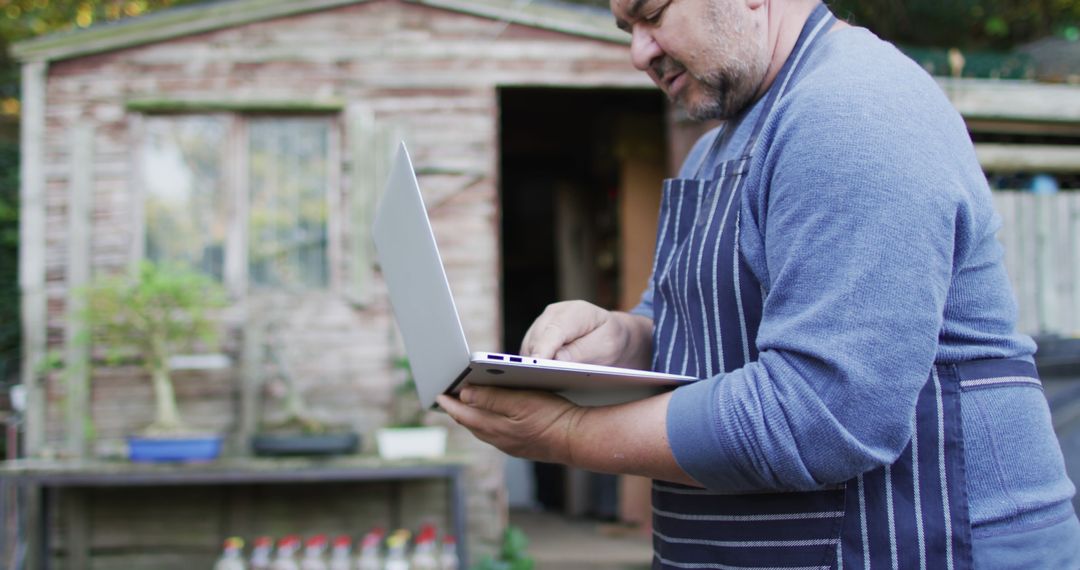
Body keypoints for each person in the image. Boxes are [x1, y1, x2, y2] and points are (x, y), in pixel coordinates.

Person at [437, 0, 1080, 567]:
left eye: (654, 13)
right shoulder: (719, 145)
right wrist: (622, 336)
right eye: (626, 27)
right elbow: (702, 329)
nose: (638, 52)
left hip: (925, 545)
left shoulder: (853, 110)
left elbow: (824, 414)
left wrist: (567, 435)